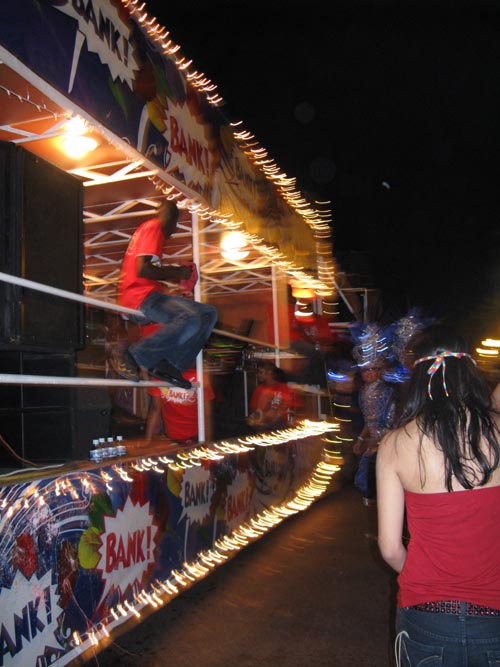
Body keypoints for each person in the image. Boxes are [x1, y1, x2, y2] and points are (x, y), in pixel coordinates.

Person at [376, 324, 500, 666]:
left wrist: (426, 580)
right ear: (470, 371)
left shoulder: (395, 444)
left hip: (425, 614)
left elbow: (389, 548)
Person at [114, 200, 218, 389]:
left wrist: (173, 280)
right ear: (172, 220)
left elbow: (147, 270)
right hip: (141, 297)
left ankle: (172, 364)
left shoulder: (151, 232)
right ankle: (136, 354)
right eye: (176, 225)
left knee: (208, 314)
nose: (174, 231)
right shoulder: (154, 227)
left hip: (148, 294)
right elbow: (143, 270)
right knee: (189, 317)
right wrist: (178, 272)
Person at [353, 360, 395, 505]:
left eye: (373, 368)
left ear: (380, 370)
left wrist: (378, 442)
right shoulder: (363, 392)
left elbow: (392, 420)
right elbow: (368, 420)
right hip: (373, 442)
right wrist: (360, 438)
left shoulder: (387, 392)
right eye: (365, 370)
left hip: (388, 440)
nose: (369, 373)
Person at [145, 367, 215, 445]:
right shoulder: (158, 376)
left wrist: (207, 442)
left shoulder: (199, 376)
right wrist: (148, 440)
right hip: (171, 437)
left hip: (196, 436)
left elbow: (207, 414)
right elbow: (155, 409)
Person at [247, 361, 298, 430]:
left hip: (278, 426)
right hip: (261, 426)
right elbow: (253, 408)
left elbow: (284, 408)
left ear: (269, 373)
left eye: (261, 372)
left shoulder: (282, 387)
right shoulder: (259, 389)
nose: (258, 375)